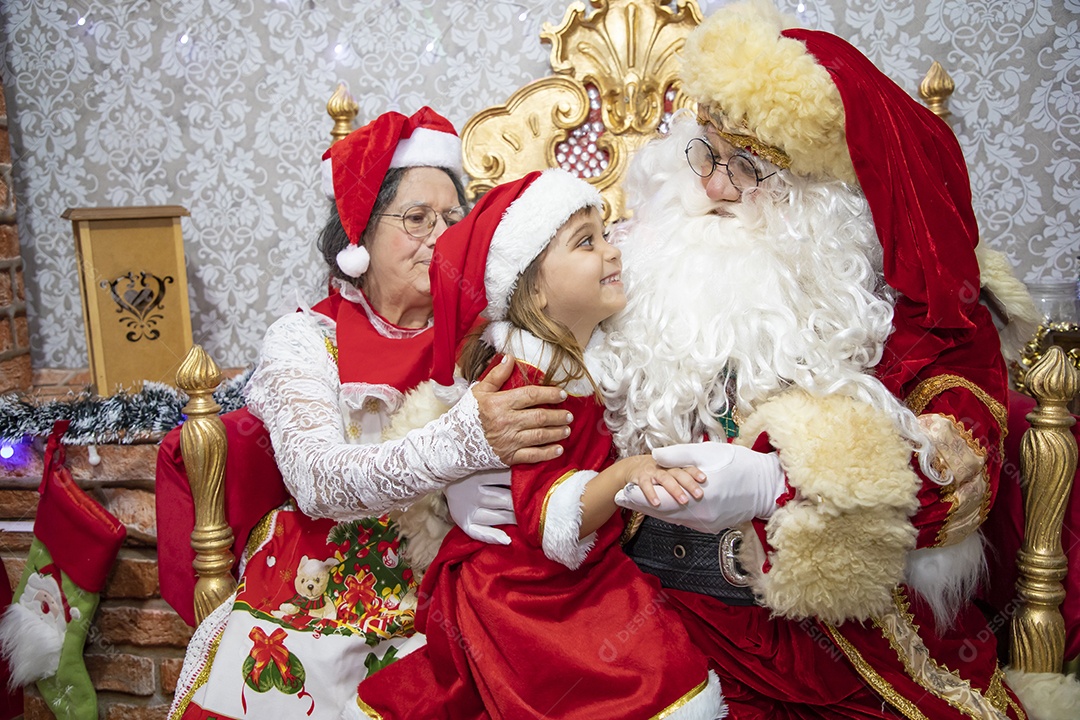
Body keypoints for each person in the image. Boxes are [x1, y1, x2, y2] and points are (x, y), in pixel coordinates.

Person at [595, 1, 1039, 716]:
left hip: (812, 643)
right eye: (706, 153)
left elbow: (961, 483)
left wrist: (779, 483)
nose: (712, 188)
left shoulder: (918, 317)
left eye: (747, 168)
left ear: (823, 197)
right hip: (634, 611)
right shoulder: (627, 263)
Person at [168, 108, 571, 720]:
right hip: (327, 582)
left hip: (460, 583)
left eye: (452, 219)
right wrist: (463, 444)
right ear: (358, 234)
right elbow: (316, 480)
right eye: (417, 218)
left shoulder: (493, 334)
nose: (440, 235)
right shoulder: (305, 339)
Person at [353, 168, 724, 720]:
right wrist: (626, 474)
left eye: (607, 234)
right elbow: (549, 516)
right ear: (534, 288)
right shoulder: (529, 383)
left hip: (572, 566)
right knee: (643, 676)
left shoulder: (582, 361)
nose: (613, 251)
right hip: (523, 587)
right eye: (586, 242)